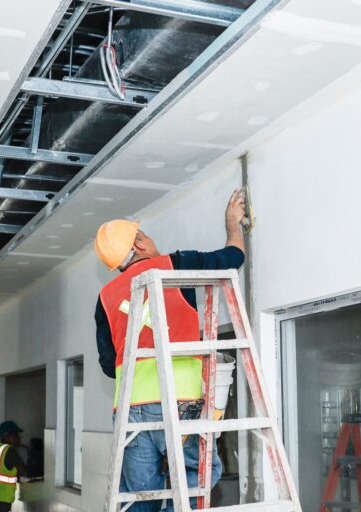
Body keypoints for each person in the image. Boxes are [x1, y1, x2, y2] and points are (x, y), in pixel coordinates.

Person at [94, 189, 246, 511]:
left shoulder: (105, 297)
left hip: (131, 410)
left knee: (140, 496)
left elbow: (108, 364)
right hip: (179, 401)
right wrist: (233, 226)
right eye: (144, 234)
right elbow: (233, 259)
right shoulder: (175, 266)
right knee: (196, 476)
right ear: (138, 242)